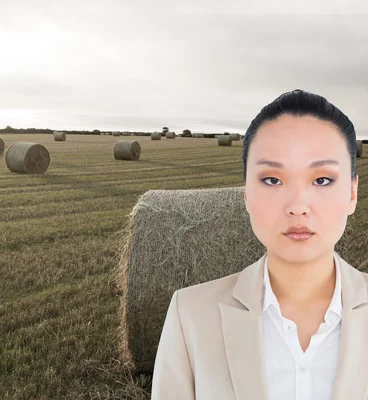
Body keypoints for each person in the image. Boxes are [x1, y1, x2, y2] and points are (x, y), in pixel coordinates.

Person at [151, 89, 365, 400]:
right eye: (272, 180)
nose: (297, 206)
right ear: (246, 194)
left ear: (351, 194)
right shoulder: (191, 316)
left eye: (322, 180)